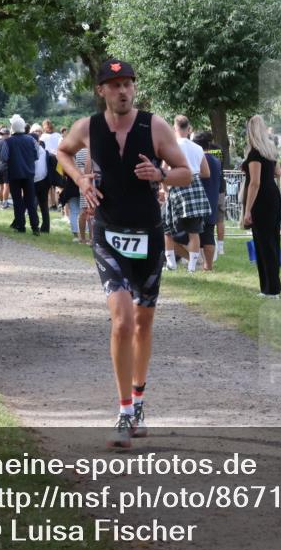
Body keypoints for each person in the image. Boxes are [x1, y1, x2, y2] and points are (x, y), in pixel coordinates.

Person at [55, 58, 191, 448]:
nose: (122, 91)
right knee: (122, 321)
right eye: (114, 85)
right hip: (108, 232)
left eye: (127, 84)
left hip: (148, 233)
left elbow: (186, 171)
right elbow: (63, 152)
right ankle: (124, 410)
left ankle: (140, 399)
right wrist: (81, 178)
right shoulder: (88, 128)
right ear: (101, 91)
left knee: (144, 322)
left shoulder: (154, 126)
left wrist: (162, 175)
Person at [162, 116, 211, 272]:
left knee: (167, 228)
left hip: (177, 186)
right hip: (195, 189)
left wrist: (165, 189)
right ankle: (191, 268)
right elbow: (206, 173)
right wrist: (193, 175)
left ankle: (171, 264)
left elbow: (164, 171)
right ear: (188, 128)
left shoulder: (172, 145)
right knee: (194, 231)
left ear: (174, 128)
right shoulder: (197, 148)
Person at [242, 115, 281, 298]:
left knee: (263, 243)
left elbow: (254, 183)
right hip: (273, 195)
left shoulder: (255, 154)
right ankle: (271, 286)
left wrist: (247, 210)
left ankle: (270, 288)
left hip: (261, 199)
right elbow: (278, 172)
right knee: (272, 241)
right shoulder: (270, 151)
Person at [2, 114, 39, 235]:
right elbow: (36, 156)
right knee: (30, 200)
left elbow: (4, 157)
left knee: (17, 201)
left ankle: (20, 226)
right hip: (29, 173)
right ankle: (35, 227)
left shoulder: (8, 142)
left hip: (14, 173)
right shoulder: (32, 140)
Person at [193, 131, 223, 270]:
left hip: (198, 201)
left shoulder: (198, 159)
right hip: (212, 200)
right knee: (209, 234)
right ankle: (208, 265)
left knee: (194, 233)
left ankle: (195, 263)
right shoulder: (216, 161)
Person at [31, 124, 52, 233]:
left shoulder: (33, 150)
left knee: (33, 203)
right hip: (45, 180)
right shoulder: (43, 150)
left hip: (35, 180)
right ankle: (45, 227)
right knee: (44, 205)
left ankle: (35, 225)